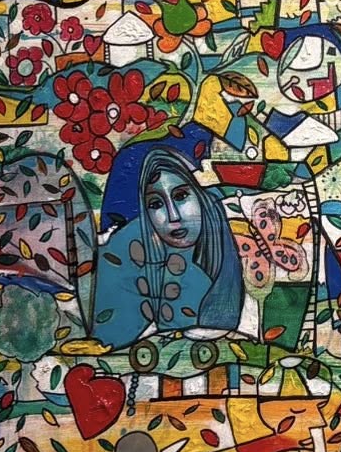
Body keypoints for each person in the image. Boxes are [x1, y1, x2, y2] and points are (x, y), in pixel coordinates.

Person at [90, 144, 243, 348]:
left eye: (180, 196)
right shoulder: (129, 246)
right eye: (155, 204)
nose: (173, 216)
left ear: (200, 195)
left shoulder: (222, 226)